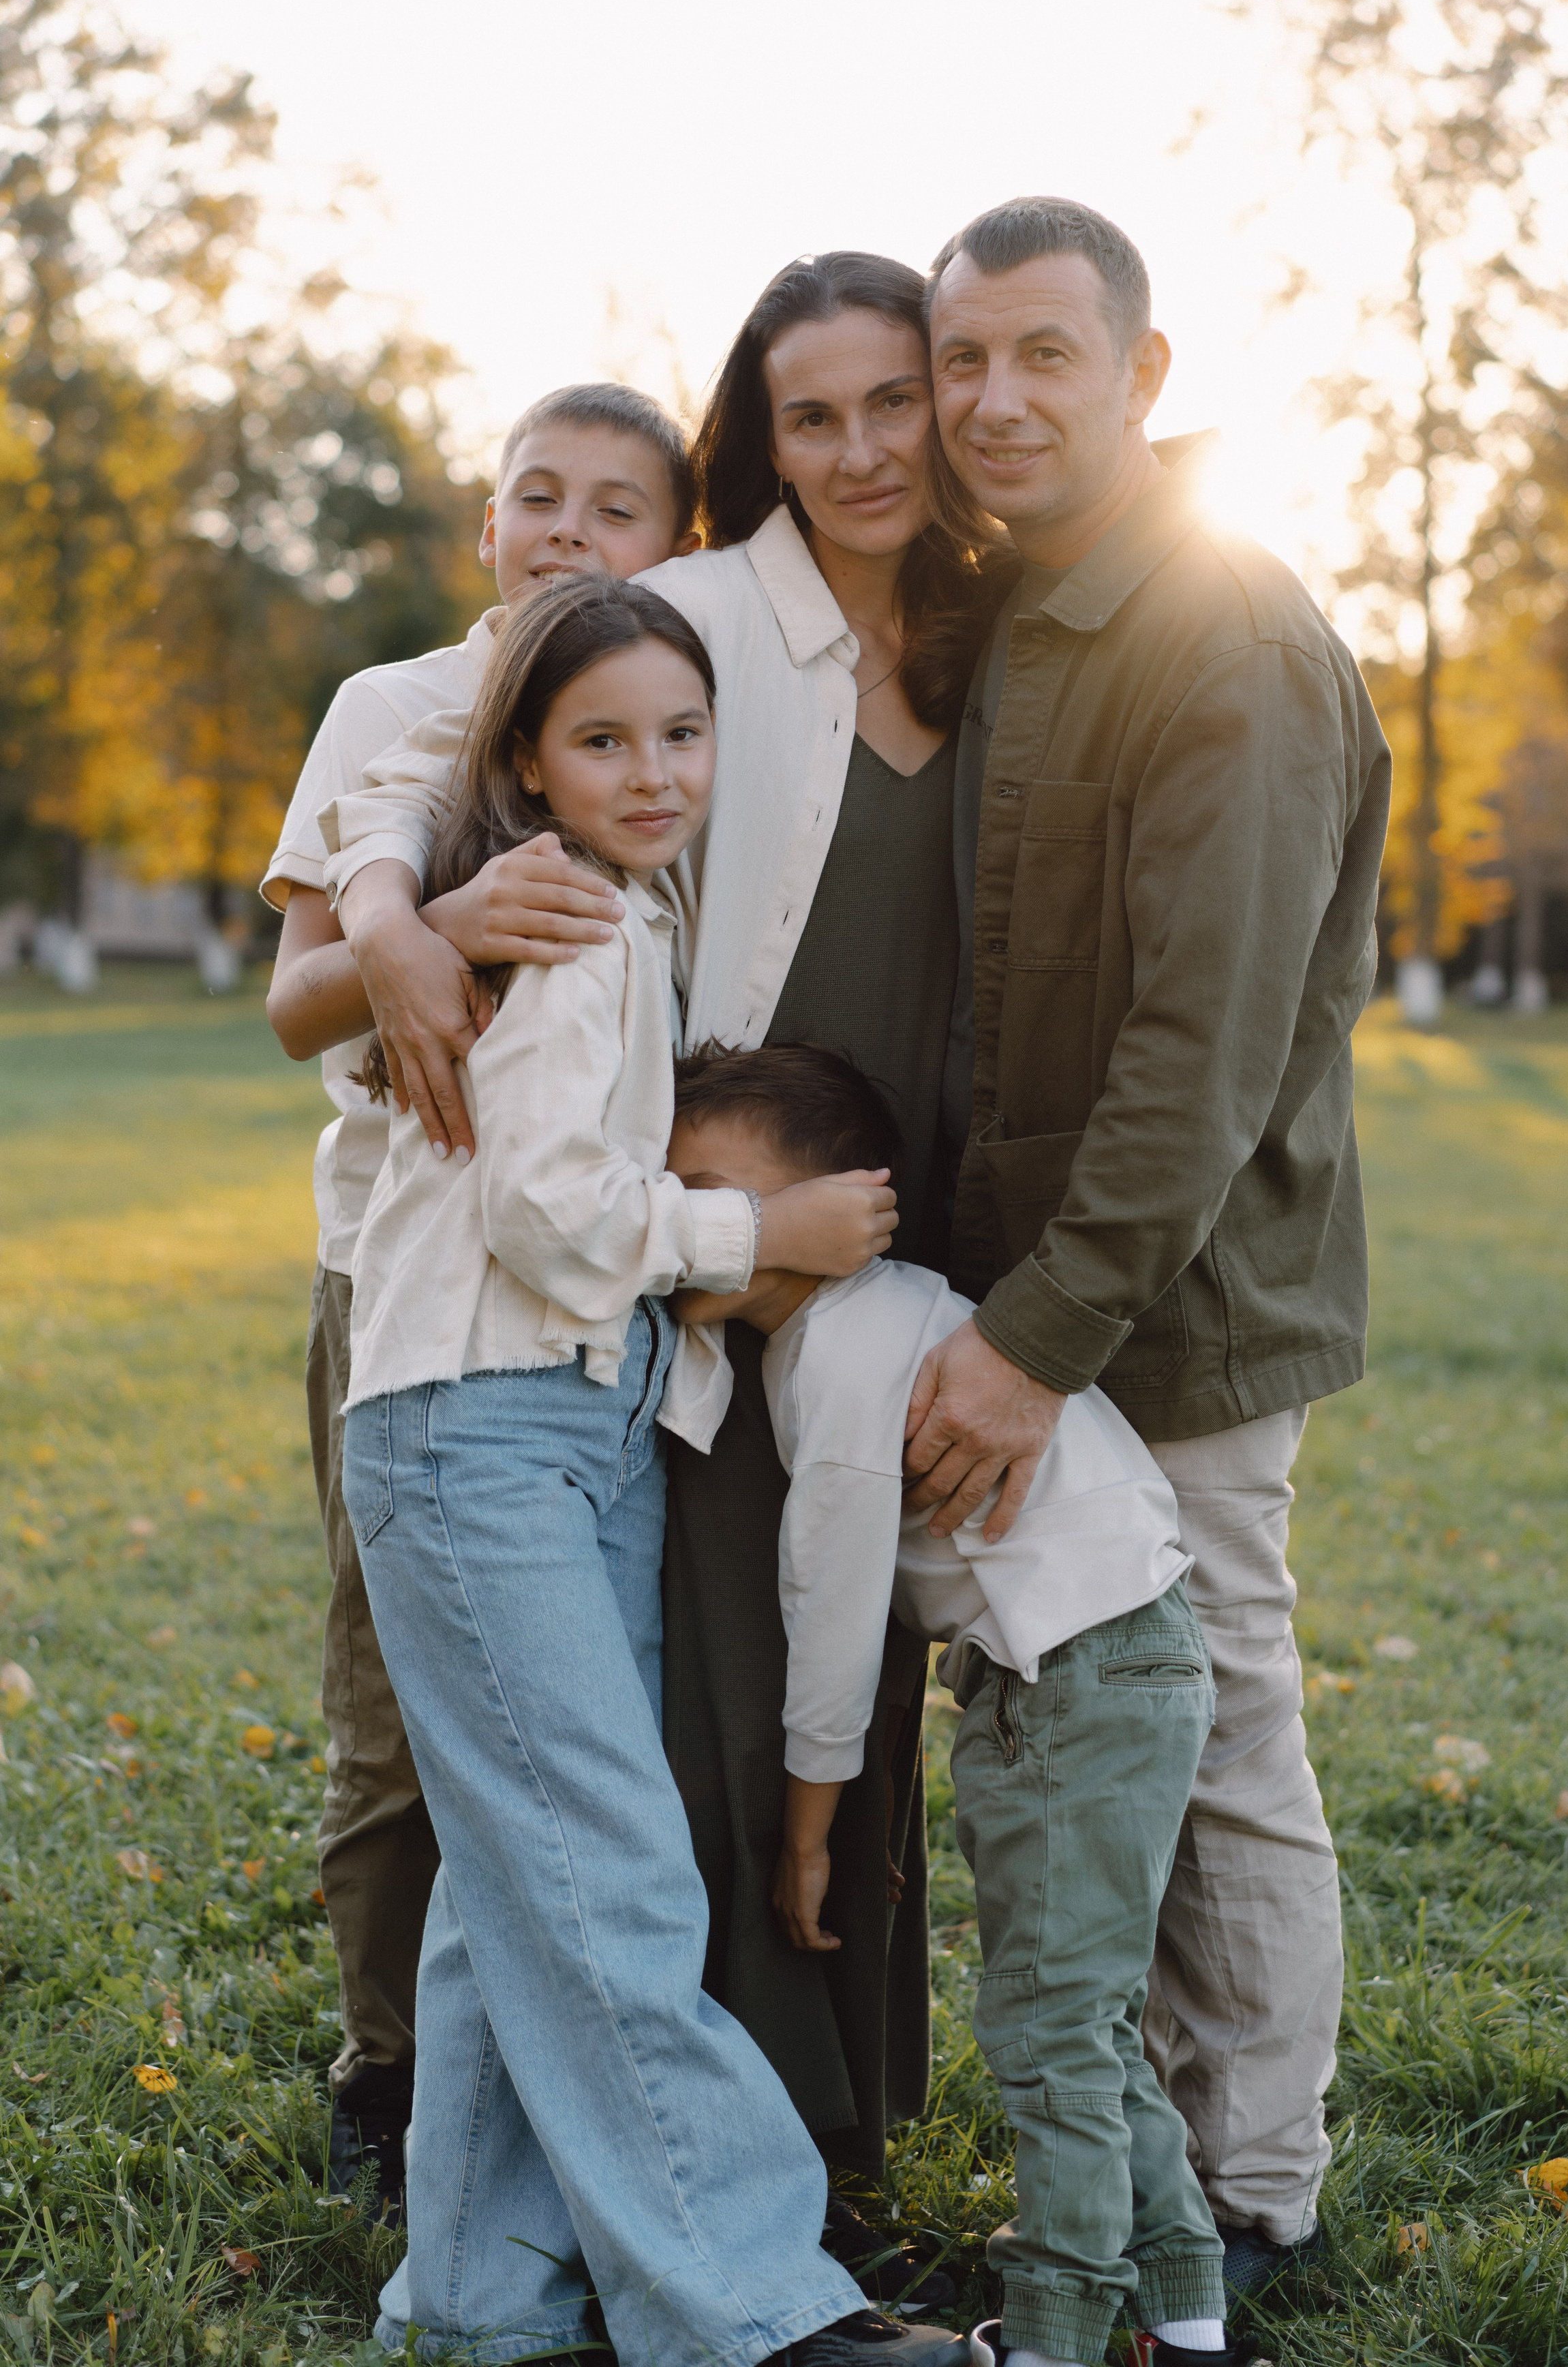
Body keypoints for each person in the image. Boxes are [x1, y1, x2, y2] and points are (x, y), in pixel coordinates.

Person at [323, 252, 1012, 2205]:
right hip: (668, 1233)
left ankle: (819, 2124)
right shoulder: (694, 620)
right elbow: (425, 747)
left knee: (848, 1635)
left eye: (901, 401)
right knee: (657, 1718)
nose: (866, 445)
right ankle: (724, 2191)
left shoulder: (992, 628)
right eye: (813, 413)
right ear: (757, 440)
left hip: (877, 1208)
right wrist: (395, 918)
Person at [903, 198, 1392, 2302]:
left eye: (1045, 356)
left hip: (1175, 1307)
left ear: (1145, 375)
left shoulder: (1230, 635)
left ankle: (1257, 2179)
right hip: (1032, 1295)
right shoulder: (1014, 618)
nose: (996, 400)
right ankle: (1144, 2141)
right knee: (1088, 1729)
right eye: (964, 362)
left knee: (1224, 1738)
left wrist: (1041, 1335)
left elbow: (1201, 1049)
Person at [261, 380, 698, 2204]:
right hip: (403, 1279)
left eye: (617, 504)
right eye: (538, 495)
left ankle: (543, 2092)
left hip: (596, 1292)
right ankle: (395, 2069)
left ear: (670, 543)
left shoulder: (668, 714)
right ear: (487, 519)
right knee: (396, 1713)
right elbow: (295, 1005)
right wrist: (420, 929)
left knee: (577, 1715)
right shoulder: (399, 708)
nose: (569, 530)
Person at [664, 1039, 1252, 2367]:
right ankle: (1188, 2319)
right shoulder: (869, 1321)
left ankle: (1048, 2332)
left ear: (842, 1209)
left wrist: (809, 1828)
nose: (694, 1229)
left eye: (717, 1192)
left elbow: (831, 1612)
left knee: (1049, 2025)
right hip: (1082, 1667)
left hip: (1081, 1674)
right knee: (1083, 2019)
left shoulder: (848, 1349)